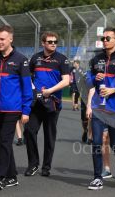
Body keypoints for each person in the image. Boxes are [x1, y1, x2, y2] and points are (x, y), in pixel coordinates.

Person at [0, 25, 33, 190]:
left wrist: (26, 110)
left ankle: (0, 176)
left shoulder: (21, 60)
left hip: (13, 109)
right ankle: (12, 176)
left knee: (4, 141)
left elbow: (26, 87)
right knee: (6, 143)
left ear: (11, 39)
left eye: (2, 39)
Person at [85, 27, 115, 190]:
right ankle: (97, 177)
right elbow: (88, 81)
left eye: (108, 38)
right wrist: (94, 77)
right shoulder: (96, 59)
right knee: (97, 143)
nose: (105, 41)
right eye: (103, 38)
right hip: (98, 108)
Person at [23, 31, 70, 177]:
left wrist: (50, 91)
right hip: (36, 103)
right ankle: (33, 164)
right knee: (29, 131)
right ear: (43, 43)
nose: (53, 44)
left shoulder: (62, 59)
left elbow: (66, 80)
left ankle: (46, 166)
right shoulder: (35, 58)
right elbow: (27, 76)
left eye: (55, 42)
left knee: (49, 136)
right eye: (50, 42)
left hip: (52, 103)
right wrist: (33, 89)